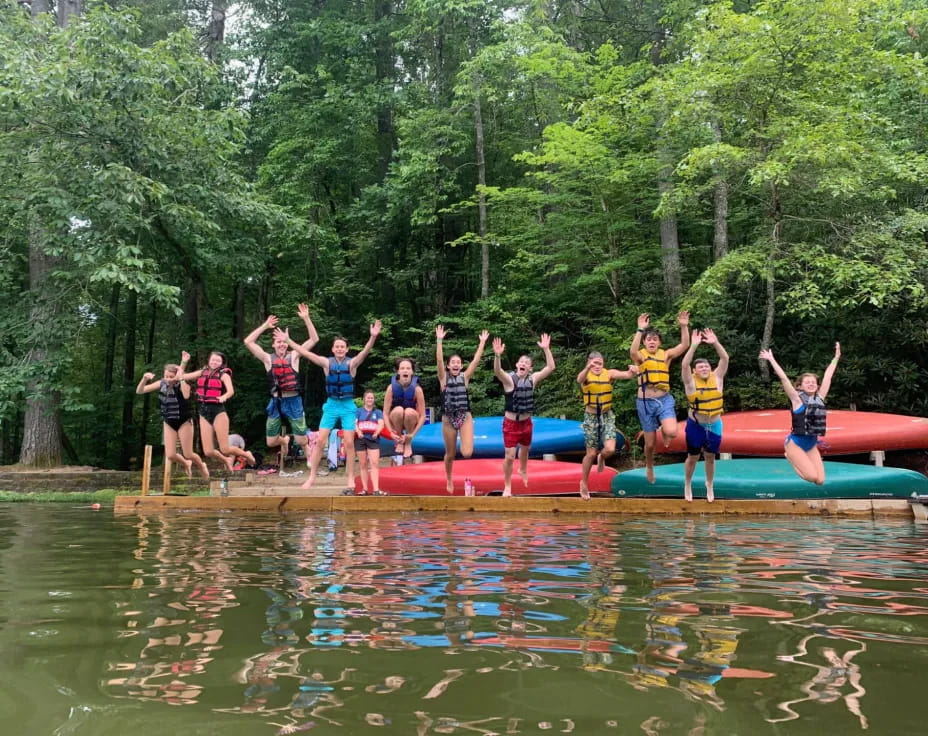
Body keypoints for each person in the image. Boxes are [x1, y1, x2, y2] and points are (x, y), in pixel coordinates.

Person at [282, 320, 382, 492]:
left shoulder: (352, 364)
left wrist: (372, 337)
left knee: (349, 442)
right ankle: (312, 476)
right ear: (333, 349)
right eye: (337, 346)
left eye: (342, 346)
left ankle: (350, 477)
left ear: (347, 349)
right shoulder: (327, 363)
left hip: (348, 405)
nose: (340, 349)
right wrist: (289, 341)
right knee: (320, 440)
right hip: (332, 405)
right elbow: (306, 353)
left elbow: (365, 352)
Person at [243, 304, 319, 468]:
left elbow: (314, 339)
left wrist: (306, 318)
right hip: (276, 402)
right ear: (273, 345)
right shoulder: (267, 359)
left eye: (284, 342)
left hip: (294, 401)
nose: (282, 345)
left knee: (300, 439)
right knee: (270, 442)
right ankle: (284, 440)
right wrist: (265, 325)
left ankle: (307, 448)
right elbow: (248, 341)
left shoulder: (295, 356)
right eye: (278, 342)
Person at [759, 342, 841, 485]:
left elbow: (828, 376)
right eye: (807, 382)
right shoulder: (797, 400)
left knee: (820, 481)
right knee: (811, 477)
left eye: (813, 382)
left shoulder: (819, 398)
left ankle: (796, 458)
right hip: (795, 443)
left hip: (811, 443)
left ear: (817, 386)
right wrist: (771, 360)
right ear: (800, 386)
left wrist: (836, 357)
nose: (811, 384)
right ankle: (789, 456)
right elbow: (784, 378)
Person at [491, 333, 556, 497]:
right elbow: (497, 371)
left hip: (526, 423)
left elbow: (550, 368)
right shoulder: (509, 380)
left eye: (526, 363)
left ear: (530, 368)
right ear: (516, 364)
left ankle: (523, 469)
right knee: (510, 456)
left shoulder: (533, 379)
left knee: (526, 450)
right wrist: (497, 355)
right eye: (521, 362)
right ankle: (507, 486)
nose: (523, 364)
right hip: (511, 424)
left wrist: (547, 349)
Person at [631, 311, 691, 483]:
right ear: (644, 342)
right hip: (645, 402)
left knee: (672, 432)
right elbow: (632, 350)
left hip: (663, 399)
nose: (652, 341)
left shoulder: (666, 355)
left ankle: (664, 429)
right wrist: (639, 329)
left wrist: (684, 326)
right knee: (650, 445)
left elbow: (684, 344)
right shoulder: (640, 356)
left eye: (655, 339)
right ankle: (649, 466)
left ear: (659, 343)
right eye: (648, 339)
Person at [135, 354, 209, 479]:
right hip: (168, 421)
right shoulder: (161, 383)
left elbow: (186, 396)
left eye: (171, 376)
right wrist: (144, 379)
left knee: (188, 453)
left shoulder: (182, 383)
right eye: (166, 376)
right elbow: (140, 391)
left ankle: (201, 465)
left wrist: (181, 377)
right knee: (170, 455)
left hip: (184, 421)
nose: (168, 379)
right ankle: (186, 463)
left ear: (176, 376)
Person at [179, 351, 255, 472]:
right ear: (209, 360)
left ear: (222, 363)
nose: (215, 362)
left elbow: (230, 391)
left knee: (225, 449)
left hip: (218, 411)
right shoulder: (202, 372)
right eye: (213, 360)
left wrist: (224, 396)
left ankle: (247, 455)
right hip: (204, 411)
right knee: (208, 451)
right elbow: (181, 376)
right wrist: (184, 362)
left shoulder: (224, 375)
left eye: (218, 361)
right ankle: (226, 460)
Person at [577, 352, 638, 500]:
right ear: (589, 362)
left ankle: (602, 458)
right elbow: (579, 379)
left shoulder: (609, 373)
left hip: (607, 414)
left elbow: (627, 375)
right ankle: (583, 483)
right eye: (594, 363)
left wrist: (633, 371)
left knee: (610, 448)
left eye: (600, 363)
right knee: (590, 454)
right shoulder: (585, 376)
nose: (597, 366)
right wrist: (587, 368)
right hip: (591, 416)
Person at [436, 325, 489, 495]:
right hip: (448, 418)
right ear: (448, 366)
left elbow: (475, 361)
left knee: (467, 453)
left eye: (458, 363)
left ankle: (463, 453)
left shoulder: (464, 377)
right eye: (453, 363)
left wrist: (482, 343)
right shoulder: (443, 378)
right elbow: (438, 361)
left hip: (464, 416)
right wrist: (439, 341)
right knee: (450, 454)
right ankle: (449, 478)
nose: (456, 365)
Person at [680, 329, 729, 502]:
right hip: (696, 425)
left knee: (710, 457)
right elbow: (684, 365)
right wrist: (693, 346)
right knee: (693, 457)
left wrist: (715, 342)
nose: (704, 368)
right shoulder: (690, 382)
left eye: (707, 366)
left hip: (714, 424)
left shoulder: (717, 378)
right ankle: (687, 483)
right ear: (695, 370)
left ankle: (709, 484)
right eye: (700, 367)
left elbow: (725, 359)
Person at [382, 358, 426, 459]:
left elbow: (423, 416)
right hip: (396, 421)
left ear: (412, 372)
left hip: (411, 420)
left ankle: (408, 442)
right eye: (402, 368)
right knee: (399, 410)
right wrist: (391, 432)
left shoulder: (417, 390)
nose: (405, 370)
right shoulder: (391, 388)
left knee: (408, 411)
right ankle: (399, 440)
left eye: (408, 368)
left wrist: (412, 435)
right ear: (398, 371)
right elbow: (385, 413)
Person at [355, 389, 388, 496]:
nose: (370, 399)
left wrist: (376, 433)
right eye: (368, 397)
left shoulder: (377, 412)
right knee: (363, 464)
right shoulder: (358, 411)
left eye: (372, 398)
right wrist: (358, 432)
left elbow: (381, 424)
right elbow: (354, 423)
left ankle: (376, 489)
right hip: (360, 438)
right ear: (364, 399)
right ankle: (364, 489)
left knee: (374, 463)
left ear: (374, 400)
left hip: (373, 438)